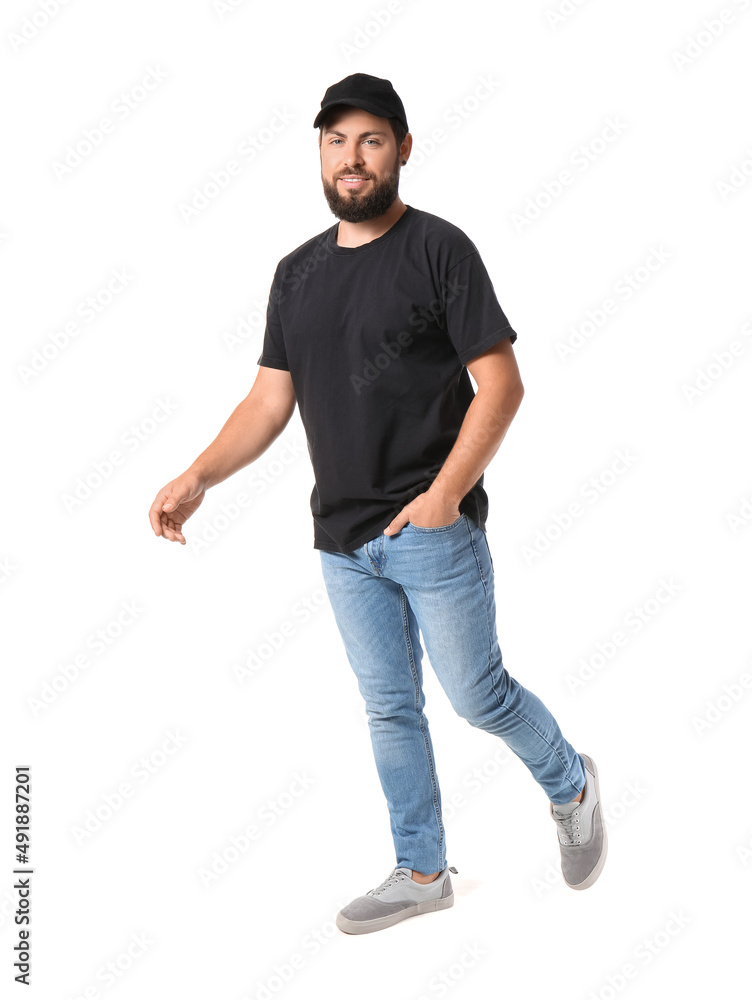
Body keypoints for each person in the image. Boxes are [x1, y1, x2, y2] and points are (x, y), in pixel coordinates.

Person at [148, 72, 607, 936]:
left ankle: (571, 784)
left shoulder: (440, 250)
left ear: (401, 147)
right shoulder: (297, 273)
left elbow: (501, 385)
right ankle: (423, 869)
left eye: (369, 140)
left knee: (478, 697)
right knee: (390, 706)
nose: (351, 159)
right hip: (340, 541)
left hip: (431, 532)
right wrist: (198, 475)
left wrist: (444, 496)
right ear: (319, 153)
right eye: (335, 142)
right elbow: (267, 403)